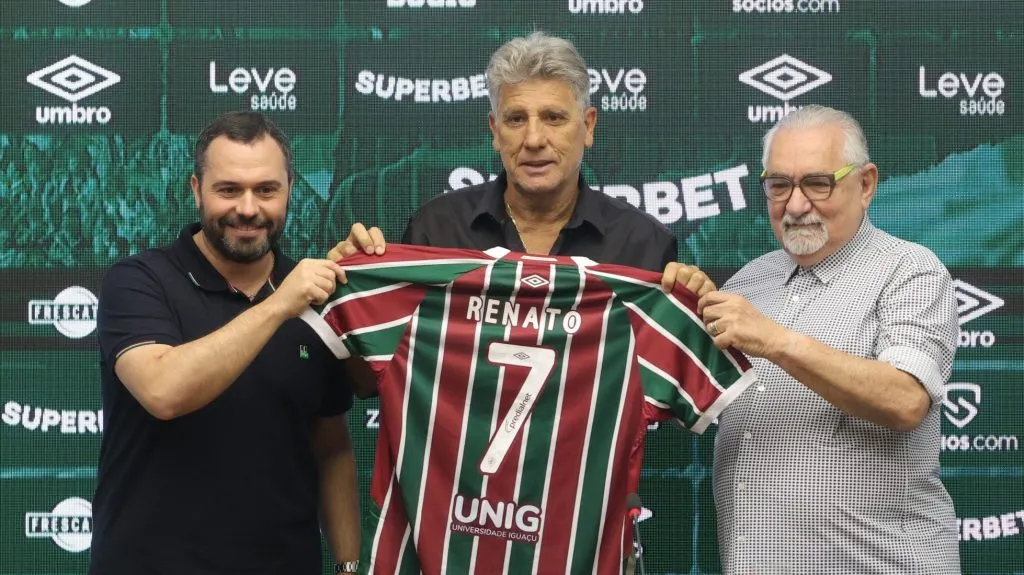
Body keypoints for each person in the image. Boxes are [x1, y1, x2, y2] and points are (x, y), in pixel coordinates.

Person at [326, 30, 719, 574]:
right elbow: (370, 381)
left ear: (589, 127)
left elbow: (670, 405)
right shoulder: (436, 230)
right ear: (494, 131)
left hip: (581, 543)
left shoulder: (644, 248)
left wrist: (691, 310)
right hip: (448, 539)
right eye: (516, 119)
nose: (534, 139)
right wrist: (349, 284)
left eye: (554, 118)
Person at [91, 111, 361, 574]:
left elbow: (331, 445)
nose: (249, 209)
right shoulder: (138, 282)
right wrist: (280, 305)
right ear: (196, 189)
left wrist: (348, 565)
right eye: (229, 189)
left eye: (266, 190)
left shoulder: (316, 298)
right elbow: (163, 390)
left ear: (289, 190)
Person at [699, 105, 960, 574]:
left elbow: (904, 400)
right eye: (779, 185)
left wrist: (775, 341)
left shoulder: (910, 271)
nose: (796, 206)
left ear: (866, 184)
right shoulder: (746, 285)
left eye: (818, 183)